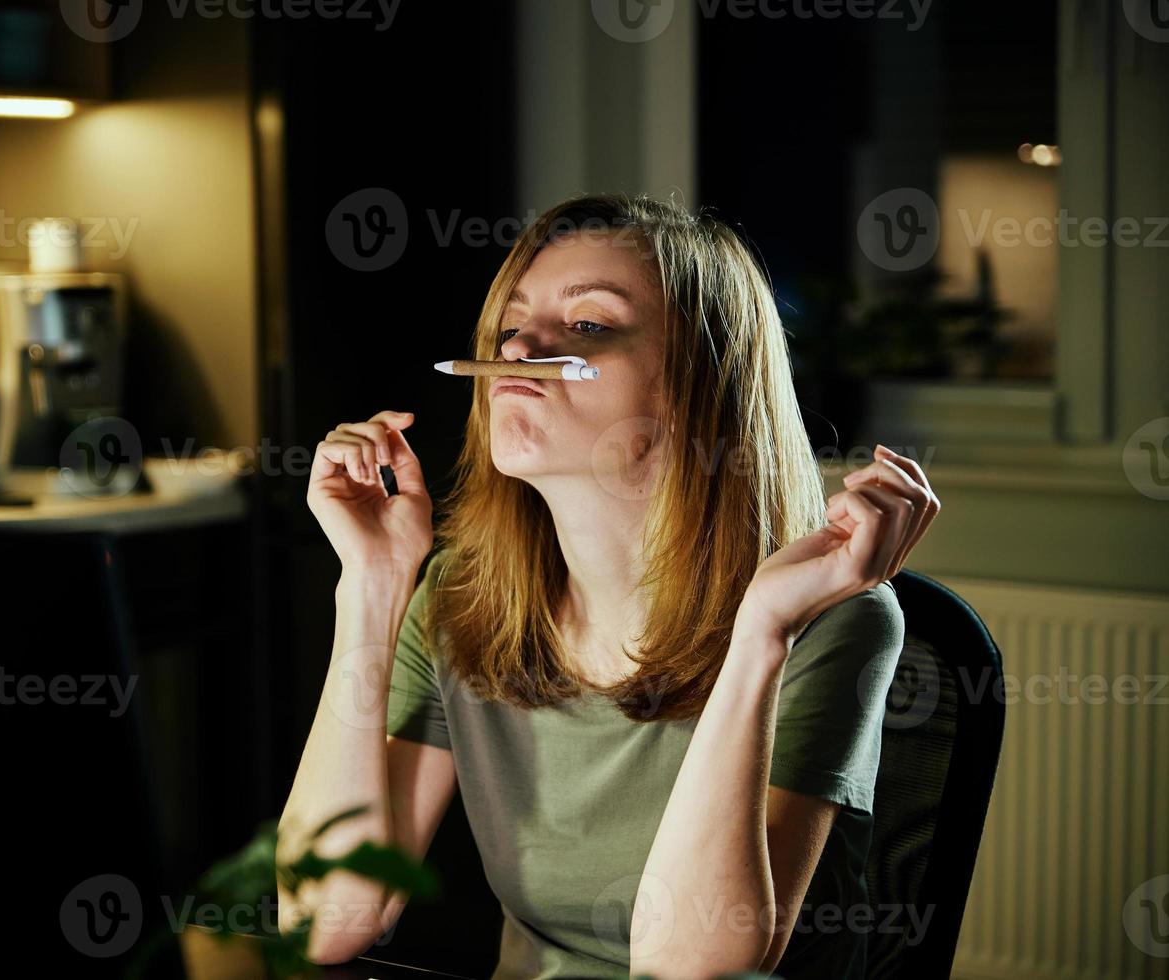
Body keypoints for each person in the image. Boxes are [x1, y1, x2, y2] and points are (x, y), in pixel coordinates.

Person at [276, 193, 941, 979]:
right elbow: (321, 924)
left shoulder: (832, 623)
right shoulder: (460, 600)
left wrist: (761, 636)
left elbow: (690, 969)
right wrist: (373, 586)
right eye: (509, 324)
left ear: (699, 382)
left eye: (588, 325)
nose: (521, 346)